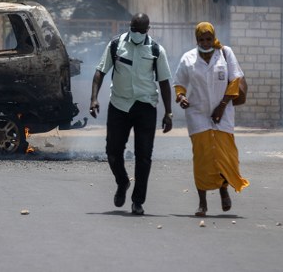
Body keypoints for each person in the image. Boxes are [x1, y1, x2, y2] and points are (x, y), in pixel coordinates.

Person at [89, 13, 173, 215]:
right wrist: (94, 98)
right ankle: (122, 181)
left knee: (144, 157)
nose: (135, 33)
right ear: (130, 26)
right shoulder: (116, 45)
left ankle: (138, 201)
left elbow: (164, 81)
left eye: (140, 30)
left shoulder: (156, 50)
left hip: (145, 106)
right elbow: (100, 71)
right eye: (133, 28)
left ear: (147, 30)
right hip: (119, 105)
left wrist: (168, 112)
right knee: (112, 152)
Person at [173, 22, 250, 217]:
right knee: (202, 158)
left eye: (208, 39)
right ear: (196, 39)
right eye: (201, 39)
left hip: (223, 114)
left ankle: (224, 190)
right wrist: (181, 97)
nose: (205, 43)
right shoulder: (188, 58)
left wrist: (222, 106)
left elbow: (235, 81)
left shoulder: (225, 53)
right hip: (197, 114)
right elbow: (179, 83)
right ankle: (202, 203)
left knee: (225, 155)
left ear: (213, 37)